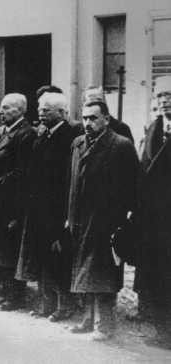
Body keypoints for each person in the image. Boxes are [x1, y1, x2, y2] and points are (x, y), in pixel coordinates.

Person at [68, 100, 139, 341]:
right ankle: (87, 320)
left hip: (106, 221)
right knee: (83, 272)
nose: (88, 123)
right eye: (85, 118)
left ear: (106, 120)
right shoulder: (78, 144)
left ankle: (105, 325)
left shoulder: (121, 145)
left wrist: (123, 221)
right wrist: (70, 216)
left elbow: (132, 187)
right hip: (80, 218)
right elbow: (73, 184)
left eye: (93, 118)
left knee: (104, 274)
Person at [15, 93, 82, 320]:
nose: (41, 113)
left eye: (47, 110)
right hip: (38, 208)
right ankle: (46, 302)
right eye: (40, 109)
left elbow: (67, 179)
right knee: (42, 257)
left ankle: (65, 305)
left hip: (57, 208)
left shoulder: (70, 137)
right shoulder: (42, 135)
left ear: (62, 113)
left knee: (59, 259)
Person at [0, 93, 36, 311]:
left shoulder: (25, 134)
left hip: (13, 201)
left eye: (6, 108)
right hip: (1, 200)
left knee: (11, 249)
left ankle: (15, 296)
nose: (0, 112)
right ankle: (5, 293)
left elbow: (21, 172)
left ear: (20, 110)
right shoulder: (8, 132)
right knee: (2, 248)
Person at [136, 75, 171, 348]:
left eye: (169, 95)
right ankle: (162, 330)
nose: (164, 100)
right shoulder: (152, 129)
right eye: (160, 96)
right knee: (157, 274)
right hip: (153, 217)